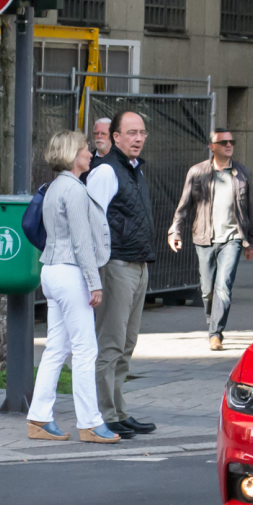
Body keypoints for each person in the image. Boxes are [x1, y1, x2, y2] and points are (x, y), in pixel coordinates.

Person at [26, 131, 118, 444]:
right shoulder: (75, 190)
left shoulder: (53, 187)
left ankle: (39, 417)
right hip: (70, 273)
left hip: (51, 270)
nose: (89, 152)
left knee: (56, 348)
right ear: (71, 154)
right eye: (83, 149)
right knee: (85, 349)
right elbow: (82, 242)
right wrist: (95, 283)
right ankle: (90, 423)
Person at [85, 110, 157, 439]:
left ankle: (119, 409)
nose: (138, 138)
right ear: (115, 137)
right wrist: (95, 276)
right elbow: (91, 223)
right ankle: (105, 413)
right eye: (131, 133)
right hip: (116, 267)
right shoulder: (105, 171)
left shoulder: (134, 169)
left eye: (141, 132)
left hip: (138, 265)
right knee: (111, 345)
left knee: (127, 345)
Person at [168, 127, 253, 352]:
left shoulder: (242, 173)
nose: (229, 145)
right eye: (223, 142)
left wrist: (252, 242)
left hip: (233, 239)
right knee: (208, 289)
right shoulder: (197, 172)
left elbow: (252, 209)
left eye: (231, 141)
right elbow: (184, 206)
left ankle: (216, 333)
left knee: (223, 286)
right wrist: (175, 232)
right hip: (204, 238)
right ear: (212, 147)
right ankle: (212, 323)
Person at [80, 117, 112, 183]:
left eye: (103, 133)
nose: (99, 136)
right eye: (96, 133)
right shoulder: (86, 160)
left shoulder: (121, 159)